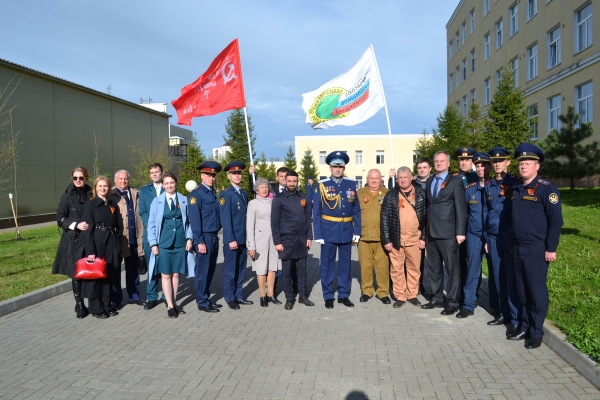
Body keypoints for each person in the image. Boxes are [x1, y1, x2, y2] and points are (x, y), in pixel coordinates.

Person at [509, 143, 563, 349]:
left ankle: (536, 332)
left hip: (536, 248)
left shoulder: (547, 190)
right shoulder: (516, 188)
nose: (523, 166)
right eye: (521, 162)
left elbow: (555, 221)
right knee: (522, 291)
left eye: (528, 162)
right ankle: (525, 326)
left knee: (536, 292)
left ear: (537, 166)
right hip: (518, 247)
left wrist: (551, 248)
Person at [313, 151, 361, 309]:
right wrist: (318, 234)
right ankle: (328, 295)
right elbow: (317, 212)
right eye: (335, 166)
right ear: (330, 167)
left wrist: (357, 231)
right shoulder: (322, 185)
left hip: (347, 230)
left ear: (344, 167)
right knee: (327, 265)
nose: (338, 169)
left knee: (345, 265)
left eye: (340, 166)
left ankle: (343, 294)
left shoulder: (351, 184)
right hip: (328, 231)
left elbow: (356, 210)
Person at [421, 151, 467, 315]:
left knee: (452, 269)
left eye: (442, 161)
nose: (439, 163)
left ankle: (453, 302)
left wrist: (460, 232)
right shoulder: (431, 180)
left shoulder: (455, 182)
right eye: (437, 161)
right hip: (431, 233)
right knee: (433, 268)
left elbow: (461, 209)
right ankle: (437, 297)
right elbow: (429, 207)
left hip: (448, 234)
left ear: (448, 163)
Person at [484, 147, 522, 336]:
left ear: (508, 162)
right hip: (492, 237)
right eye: (494, 161)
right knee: (497, 278)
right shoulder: (489, 185)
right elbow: (487, 213)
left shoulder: (515, 184)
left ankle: (515, 320)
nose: (497, 164)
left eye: (501, 161)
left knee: (511, 279)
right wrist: (485, 237)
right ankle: (503, 313)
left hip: (508, 238)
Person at [147, 172, 195, 318]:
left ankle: (174, 302)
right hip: (164, 243)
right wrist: (153, 243)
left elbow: (190, 222)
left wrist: (189, 238)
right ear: (162, 185)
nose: (169, 185)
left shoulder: (184, 200)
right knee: (166, 275)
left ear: (176, 183)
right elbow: (151, 224)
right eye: (166, 183)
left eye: (172, 183)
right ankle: (170, 306)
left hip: (180, 242)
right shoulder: (157, 201)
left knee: (176, 275)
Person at [381, 167, 427, 308]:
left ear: (411, 177)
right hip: (396, 239)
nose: (402, 180)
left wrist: (423, 237)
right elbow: (384, 219)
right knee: (396, 269)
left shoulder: (420, 193)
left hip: (415, 239)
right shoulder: (391, 195)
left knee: (414, 269)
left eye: (405, 177)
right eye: (400, 177)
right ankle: (400, 295)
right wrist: (387, 240)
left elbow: (426, 217)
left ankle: (412, 294)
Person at [53, 166, 94, 319]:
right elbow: (60, 218)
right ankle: (80, 304)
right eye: (75, 178)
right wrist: (76, 224)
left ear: (86, 178)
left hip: (89, 239)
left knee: (89, 272)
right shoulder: (66, 196)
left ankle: (92, 301)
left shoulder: (91, 193)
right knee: (76, 273)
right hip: (73, 240)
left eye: (81, 178)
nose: (78, 180)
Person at [271, 171, 314, 310]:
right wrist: (277, 242)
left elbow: (308, 219)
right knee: (287, 272)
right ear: (285, 181)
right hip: (286, 240)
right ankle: (289, 298)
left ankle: (302, 296)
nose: (292, 183)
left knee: (302, 271)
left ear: (297, 181)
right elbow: (275, 222)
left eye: (294, 181)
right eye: (289, 181)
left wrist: (309, 237)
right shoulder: (279, 199)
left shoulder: (303, 197)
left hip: (301, 240)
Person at [82, 176, 122, 319]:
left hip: (111, 243)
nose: (103, 189)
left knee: (109, 275)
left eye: (105, 186)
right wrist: (90, 251)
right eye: (100, 186)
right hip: (98, 244)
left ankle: (107, 304)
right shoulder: (90, 205)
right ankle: (96, 307)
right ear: (95, 188)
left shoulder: (111, 204)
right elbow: (87, 230)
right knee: (96, 277)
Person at [457, 152, 492, 318]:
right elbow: (463, 214)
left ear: (490, 167)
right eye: (477, 166)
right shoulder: (470, 189)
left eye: (483, 165)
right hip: (474, 235)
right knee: (472, 269)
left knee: (497, 272)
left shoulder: (497, 188)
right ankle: (468, 304)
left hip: (493, 236)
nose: (480, 168)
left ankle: (498, 307)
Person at [188, 161, 223, 313]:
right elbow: (195, 220)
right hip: (204, 238)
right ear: (202, 175)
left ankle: (206, 297)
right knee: (202, 271)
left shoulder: (211, 193)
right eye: (208, 175)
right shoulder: (196, 195)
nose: (211, 177)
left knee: (210, 270)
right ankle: (202, 301)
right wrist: (199, 241)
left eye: (213, 175)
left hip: (214, 236)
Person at [219, 161, 253, 310]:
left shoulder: (243, 193)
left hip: (243, 238)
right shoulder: (226, 195)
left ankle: (239, 294)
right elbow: (225, 219)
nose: (237, 176)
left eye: (239, 173)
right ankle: (230, 297)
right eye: (234, 173)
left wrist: (253, 175)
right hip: (232, 240)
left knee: (241, 269)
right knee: (230, 270)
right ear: (228, 176)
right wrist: (230, 238)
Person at [108, 170, 144, 307]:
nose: (124, 181)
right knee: (115, 271)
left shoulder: (136, 193)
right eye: (121, 178)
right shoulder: (110, 195)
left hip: (134, 237)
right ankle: (116, 300)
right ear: (115, 180)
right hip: (118, 239)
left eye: (126, 178)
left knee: (133, 270)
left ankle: (134, 296)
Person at [356, 169, 390, 304]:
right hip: (363, 237)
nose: (374, 181)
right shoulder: (358, 194)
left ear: (381, 179)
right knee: (365, 266)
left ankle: (383, 292)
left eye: (377, 178)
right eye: (372, 178)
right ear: (367, 179)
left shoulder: (388, 194)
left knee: (382, 266)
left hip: (382, 238)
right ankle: (367, 291)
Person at [246, 177, 281, 307]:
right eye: (261, 187)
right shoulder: (253, 204)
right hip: (259, 240)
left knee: (273, 267)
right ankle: (262, 295)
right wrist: (251, 246)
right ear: (257, 190)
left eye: (266, 187)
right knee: (261, 268)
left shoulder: (274, 201)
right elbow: (249, 226)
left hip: (274, 240)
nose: (264, 189)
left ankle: (271, 294)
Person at [138, 163, 165, 310]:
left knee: (167, 268)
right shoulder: (144, 191)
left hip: (166, 235)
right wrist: (153, 226)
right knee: (152, 267)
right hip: (151, 235)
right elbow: (142, 211)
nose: (154, 174)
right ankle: (152, 296)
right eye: (152, 172)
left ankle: (167, 296)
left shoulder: (169, 186)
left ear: (162, 173)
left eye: (157, 172)